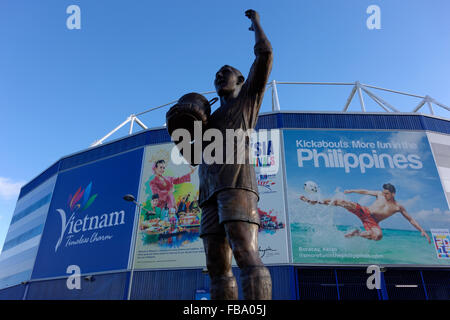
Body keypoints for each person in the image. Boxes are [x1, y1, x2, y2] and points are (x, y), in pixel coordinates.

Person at [197, 9, 273, 300]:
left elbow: (265, 55)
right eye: (215, 75)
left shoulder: (247, 100)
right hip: (208, 193)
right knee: (216, 267)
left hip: (237, 185)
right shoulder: (210, 120)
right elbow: (192, 154)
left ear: (240, 79)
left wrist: (256, 23)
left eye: (224, 72)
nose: (218, 76)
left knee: (245, 254)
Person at [300, 183, 431, 243]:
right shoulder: (379, 194)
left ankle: (357, 234)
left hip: (372, 222)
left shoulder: (398, 207)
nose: (384, 195)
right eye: (383, 192)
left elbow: (410, 219)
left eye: (387, 193)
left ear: (393, 194)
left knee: (378, 236)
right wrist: (352, 190)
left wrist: (421, 230)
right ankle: (313, 201)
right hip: (364, 211)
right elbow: (366, 191)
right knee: (341, 201)